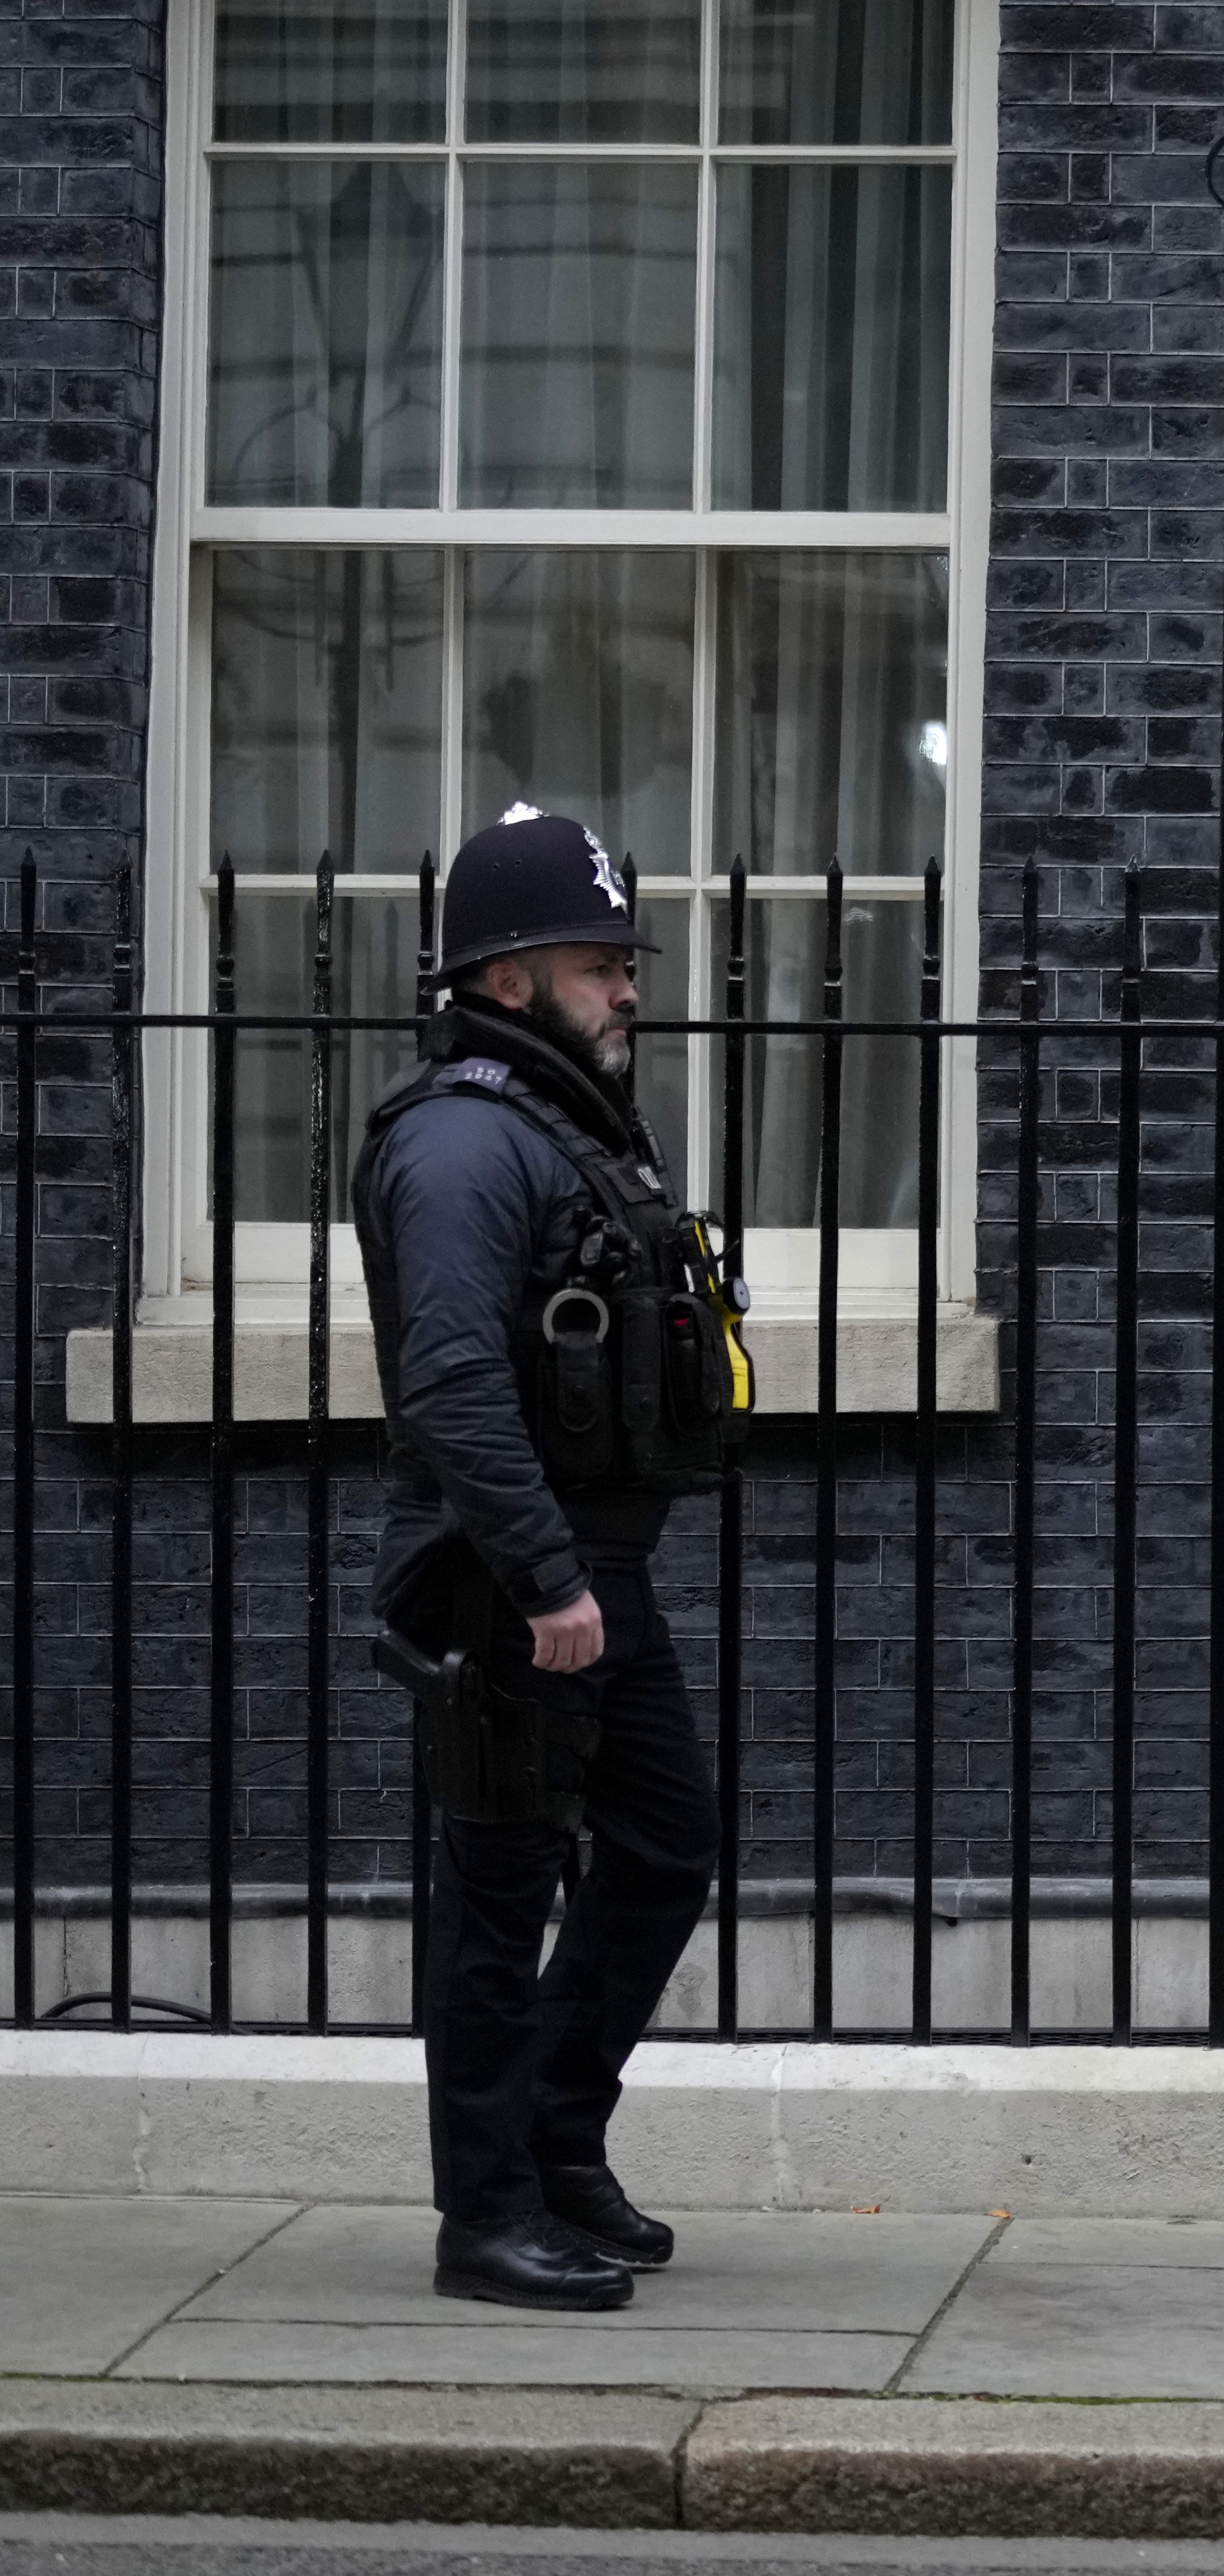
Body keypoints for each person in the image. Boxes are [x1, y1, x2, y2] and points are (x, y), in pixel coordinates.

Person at [356, 804, 745, 2312]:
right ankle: (486, 2218)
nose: (628, 987)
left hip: (591, 1568)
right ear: (509, 981)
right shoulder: (461, 1141)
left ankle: (554, 2143)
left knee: (664, 1846)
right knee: (501, 1889)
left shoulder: (555, 1124)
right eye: (600, 964)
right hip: (507, 1573)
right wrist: (542, 1580)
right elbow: (451, 1383)